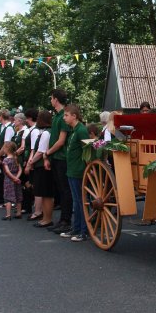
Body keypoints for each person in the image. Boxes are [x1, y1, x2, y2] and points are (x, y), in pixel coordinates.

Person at [45, 89, 73, 234]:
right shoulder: (57, 116)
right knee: (60, 191)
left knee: (65, 190)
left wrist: (47, 153)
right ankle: (62, 220)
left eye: (51, 98)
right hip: (55, 158)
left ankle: (66, 221)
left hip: (62, 158)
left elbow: (61, 141)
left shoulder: (63, 116)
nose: (51, 100)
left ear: (56, 99)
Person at [60, 104, 90, 242]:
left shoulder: (81, 130)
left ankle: (83, 231)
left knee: (80, 202)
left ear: (74, 116)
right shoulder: (74, 130)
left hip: (78, 170)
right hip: (71, 169)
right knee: (76, 202)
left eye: (66, 115)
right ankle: (76, 228)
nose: (64, 117)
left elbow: (87, 151)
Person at [25, 110, 54, 228]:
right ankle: (45, 217)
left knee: (45, 193)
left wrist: (30, 162)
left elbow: (40, 151)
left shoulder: (46, 133)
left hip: (42, 166)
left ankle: (47, 219)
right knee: (43, 193)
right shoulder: (46, 132)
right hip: (41, 166)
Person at [0, 141, 23, 220]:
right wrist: (17, 178)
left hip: (9, 180)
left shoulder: (5, 160)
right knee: (18, 195)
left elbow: (7, 171)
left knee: (8, 197)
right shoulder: (16, 158)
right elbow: (20, 169)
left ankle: (8, 214)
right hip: (17, 179)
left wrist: (13, 178)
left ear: (6, 149)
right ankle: (19, 213)